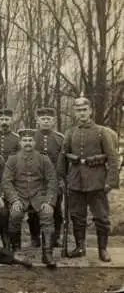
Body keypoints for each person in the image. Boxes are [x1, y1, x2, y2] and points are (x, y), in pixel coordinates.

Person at [57, 95, 119, 262]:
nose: (82, 113)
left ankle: (103, 250)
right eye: (78, 110)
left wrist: (111, 182)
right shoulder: (70, 133)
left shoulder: (101, 132)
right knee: (77, 216)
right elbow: (63, 157)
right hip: (75, 181)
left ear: (90, 111)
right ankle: (80, 247)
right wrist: (62, 179)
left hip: (97, 181)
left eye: (84, 110)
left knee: (101, 217)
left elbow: (113, 158)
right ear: (75, 113)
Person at [1, 129, 58, 268]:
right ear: (20, 142)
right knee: (15, 215)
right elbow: (6, 182)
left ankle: (47, 253)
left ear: (35, 142)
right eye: (25, 141)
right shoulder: (12, 159)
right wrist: (14, 200)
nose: (27, 143)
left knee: (47, 214)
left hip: (39, 196)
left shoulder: (43, 159)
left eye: (30, 141)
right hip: (19, 196)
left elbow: (52, 181)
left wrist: (49, 201)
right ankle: (16, 250)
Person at [28, 107, 64, 248]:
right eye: (43, 119)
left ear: (53, 121)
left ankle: (55, 238)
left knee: (56, 210)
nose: (46, 121)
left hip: (53, 180)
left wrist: (61, 180)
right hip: (34, 180)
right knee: (33, 210)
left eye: (48, 119)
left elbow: (63, 162)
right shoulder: (31, 138)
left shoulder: (59, 138)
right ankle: (35, 236)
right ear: (37, 120)